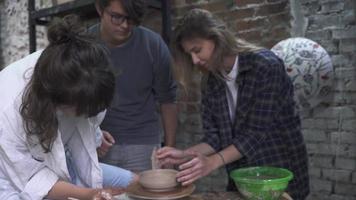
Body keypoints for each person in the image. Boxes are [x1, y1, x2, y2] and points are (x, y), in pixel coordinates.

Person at [156, 8, 310, 200]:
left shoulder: (265, 66)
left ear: (218, 39)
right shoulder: (211, 82)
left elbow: (255, 134)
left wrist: (212, 162)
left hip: (278, 174)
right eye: (189, 55)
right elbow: (215, 138)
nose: (194, 60)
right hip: (242, 178)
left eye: (197, 50)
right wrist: (185, 154)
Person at [0, 15, 138, 200]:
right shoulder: (8, 107)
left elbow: (83, 123)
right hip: (9, 175)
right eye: (84, 113)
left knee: (136, 182)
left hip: (55, 160)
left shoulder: (87, 75)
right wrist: (90, 194)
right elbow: (34, 181)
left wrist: (96, 136)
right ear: (57, 103)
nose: (88, 117)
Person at [91, 0, 178, 172]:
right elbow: (70, 103)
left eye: (131, 19)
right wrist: (92, 136)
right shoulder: (83, 46)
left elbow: (168, 100)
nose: (124, 25)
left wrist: (169, 150)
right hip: (97, 145)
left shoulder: (154, 45)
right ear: (100, 9)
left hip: (143, 144)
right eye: (116, 17)